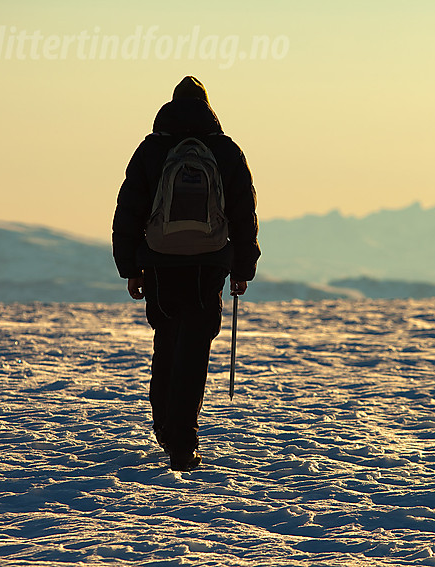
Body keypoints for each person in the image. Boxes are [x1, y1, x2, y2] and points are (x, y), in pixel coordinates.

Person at [112, 76, 260, 472]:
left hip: (160, 262)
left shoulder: (151, 150)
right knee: (194, 350)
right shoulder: (225, 151)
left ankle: (166, 430)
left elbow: (129, 211)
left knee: (168, 342)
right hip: (208, 263)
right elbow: (244, 214)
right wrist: (241, 268)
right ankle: (182, 442)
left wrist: (131, 267)